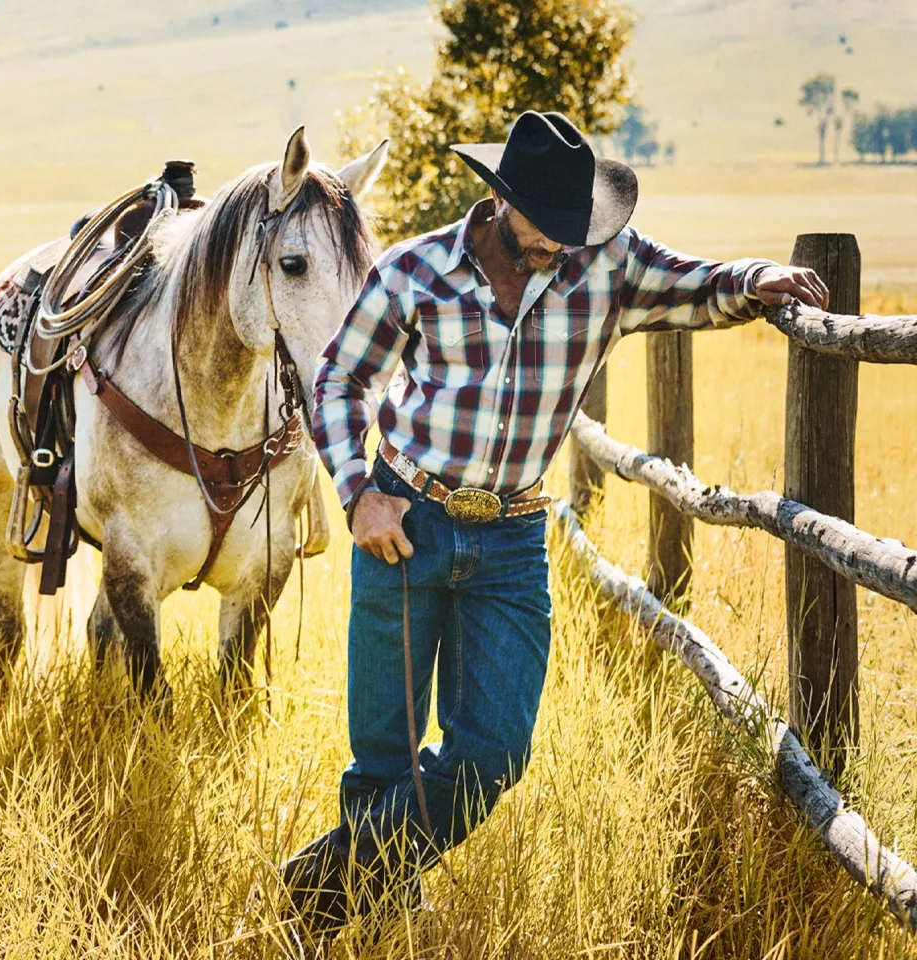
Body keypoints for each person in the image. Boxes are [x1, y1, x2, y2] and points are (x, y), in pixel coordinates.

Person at [285, 110, 829, 939]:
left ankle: (317, 891)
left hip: (510, 540)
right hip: (405, 522)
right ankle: (372, 923)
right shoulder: (415, 270)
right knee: (384, 756)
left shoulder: (606, 265)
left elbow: (698, 285)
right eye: (549, 230)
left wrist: (760, 277)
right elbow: (339, 380)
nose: (564, 247)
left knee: (494, 754)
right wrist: (358, 489)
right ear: (502, 201)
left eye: (579, 229)